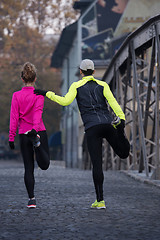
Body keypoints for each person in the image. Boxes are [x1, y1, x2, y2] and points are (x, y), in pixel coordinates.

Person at [34, 59, 130, 209]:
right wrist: (122, 118)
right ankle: (121, 131)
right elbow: (114, 103)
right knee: (123, 153)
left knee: (97, 164)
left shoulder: (76, 86)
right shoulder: (103, 85)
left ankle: (100, 201)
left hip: (92, 128)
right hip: (107, 123)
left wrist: (46, 93)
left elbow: (65, 101)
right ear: (92, 71)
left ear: (80, 71)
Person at [9, 62, 50, 209]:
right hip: (38, 131)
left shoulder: (16, 96)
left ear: (22, 79)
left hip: (23, 133)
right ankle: (37, 144)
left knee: (28, 167)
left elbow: (14, 118)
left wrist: (11, 138)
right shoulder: (38, 94)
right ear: (35, 78)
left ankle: (31, 199)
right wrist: (35, 129)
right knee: (44, 165)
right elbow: (38, 112)